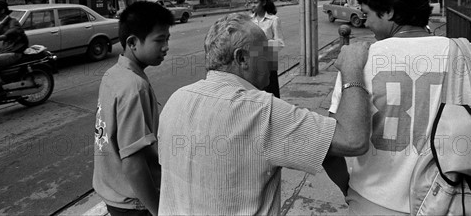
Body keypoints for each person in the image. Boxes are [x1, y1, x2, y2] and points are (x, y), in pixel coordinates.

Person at [328, 0, 471, 215]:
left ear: (389, 12)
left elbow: (331, 143)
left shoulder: (359, 60)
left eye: (367, 14)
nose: (366, 23)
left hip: (375, 202)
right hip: (457, 204)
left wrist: (352, 191)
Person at [157, 13, 371, 215]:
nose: (272, 60)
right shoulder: (260, 111)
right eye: (265, 52)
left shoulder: (176, 99)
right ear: (241, 59)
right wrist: (352, 70)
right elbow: (353, 140)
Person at [93, 1, 174, 216]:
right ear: (133, 42)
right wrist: (159, 211)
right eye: (159, 40)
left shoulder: (114, 74)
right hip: (135, 203)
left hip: (113, 192)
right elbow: (133, 164)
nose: (166, 47)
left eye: (167, 39)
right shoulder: (134, 87)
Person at [248, 0, 284, 98]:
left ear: (263, 2)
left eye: (255, 2)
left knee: (270, 93)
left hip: (268, 61)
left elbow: (280, 43)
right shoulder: (249, 20)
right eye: (250, 2)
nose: (252, 5)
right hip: (252, 61)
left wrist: (264, 44)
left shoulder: (273, 20)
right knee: (255, 94)